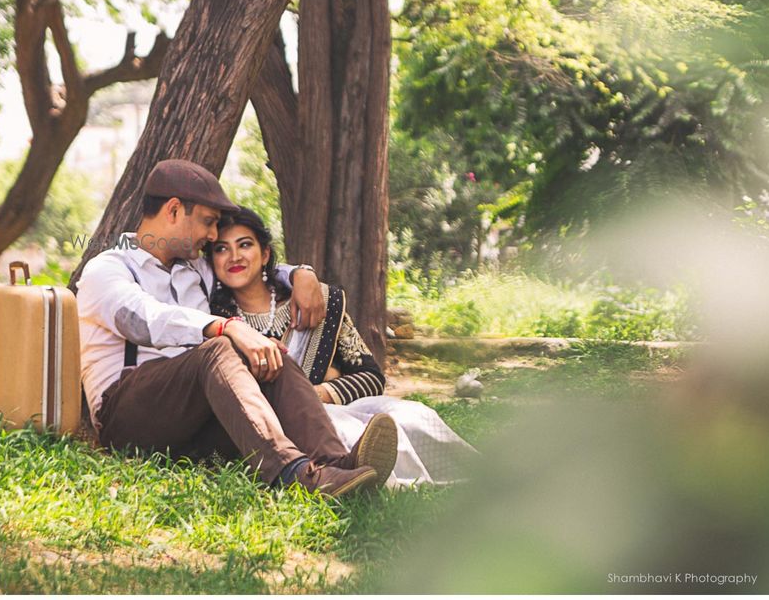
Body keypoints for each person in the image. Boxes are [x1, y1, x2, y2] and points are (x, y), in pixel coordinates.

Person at [76, 160, 398, 498]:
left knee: (271, 353)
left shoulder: (195, 269)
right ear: (173, 211)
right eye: (208, 222)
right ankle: (294, 475)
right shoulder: (108, 268)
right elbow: (141, 318)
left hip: (191, 424)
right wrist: (224, 326)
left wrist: (301, 274)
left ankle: (338, 466)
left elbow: (251, 266)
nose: (213, 236)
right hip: (126, 417)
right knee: (218, 349)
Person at [206, 207, 478, 486]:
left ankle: (478, 476)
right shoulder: (215, 320)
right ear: (211, 261)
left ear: (265, 254)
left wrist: (318, 392)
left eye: (245, 245)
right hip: (284, 426)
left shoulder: (319, 302)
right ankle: (387, 485)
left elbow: (371, 378)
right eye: (221, 249)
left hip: (332, 403)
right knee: (345, 429)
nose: (235, 257)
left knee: (411, 415)